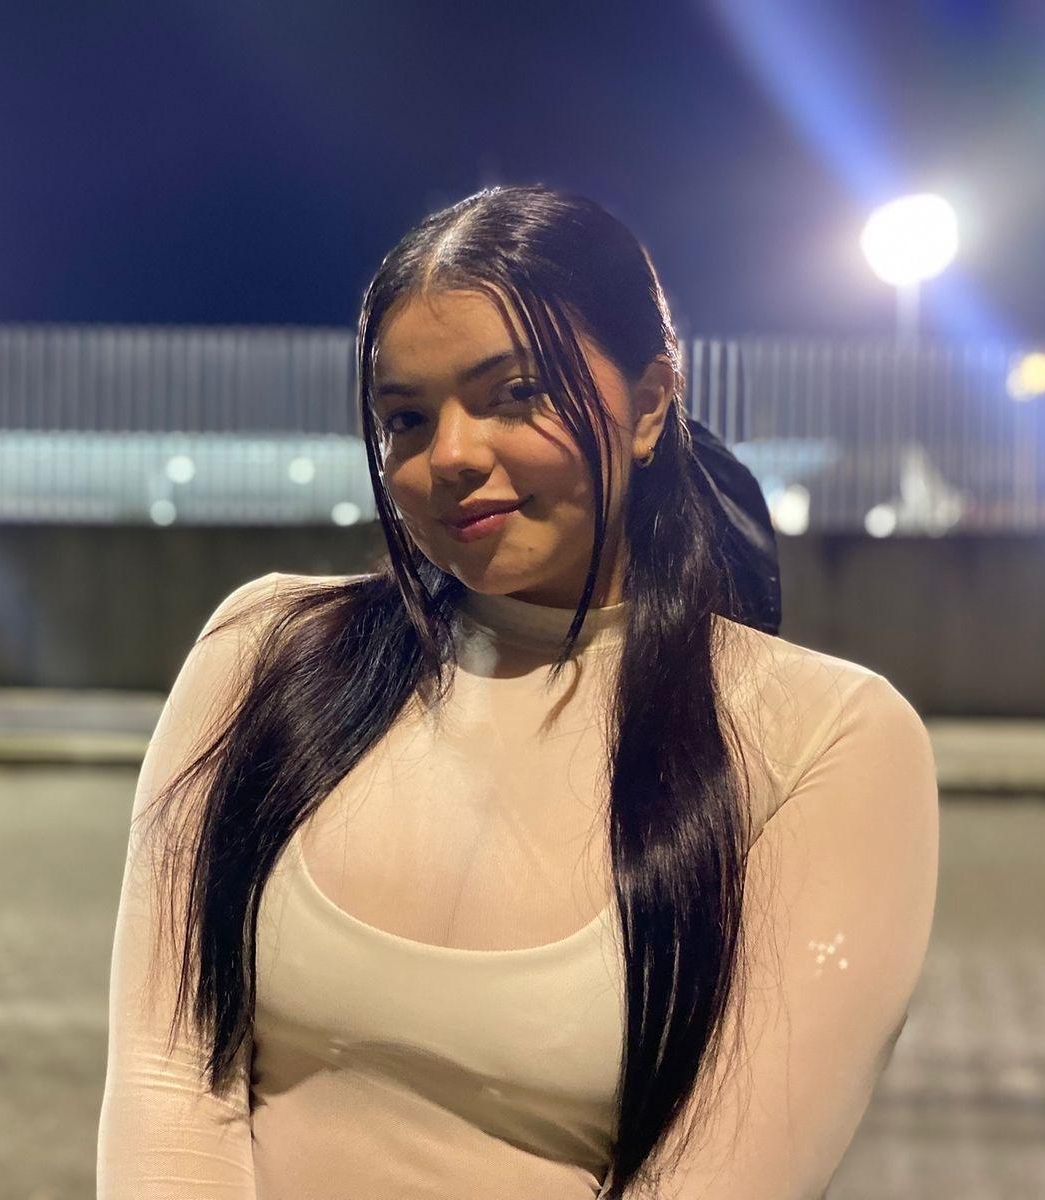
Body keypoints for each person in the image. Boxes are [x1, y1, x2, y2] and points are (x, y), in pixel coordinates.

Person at [96, 184, 938, 1199]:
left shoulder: (823, 735)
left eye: (514, 394)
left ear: (651, 402)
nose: (449, 456)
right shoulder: (267, 650)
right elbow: (167, 1074)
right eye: (406, 417)